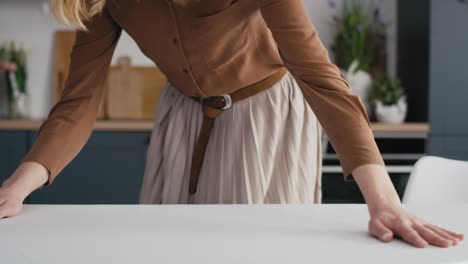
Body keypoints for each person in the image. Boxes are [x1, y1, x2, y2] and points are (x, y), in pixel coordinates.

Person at [0, 0, 463, 248]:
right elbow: (78, 103)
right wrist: (14, 190)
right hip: (182, 114)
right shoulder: (100, 0)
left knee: (250, 246)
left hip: (266, 112)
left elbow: (320, 78)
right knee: (167, 246)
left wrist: (383, 202)